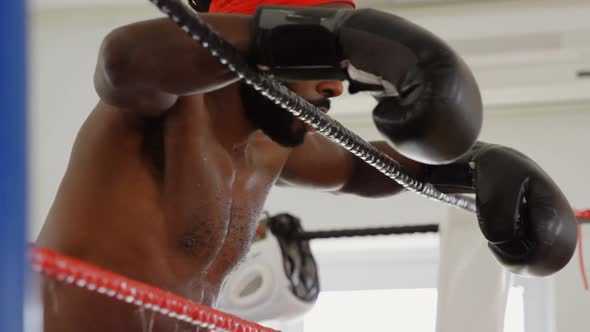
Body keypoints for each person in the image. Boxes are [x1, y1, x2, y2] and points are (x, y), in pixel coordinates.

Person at [36, 0, 576, 331]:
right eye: (323, 63)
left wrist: (477, 167)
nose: (335, 87)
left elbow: (366, 172)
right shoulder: (166, 108)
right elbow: (121, 61)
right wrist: (330, 31)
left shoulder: (272, 149)